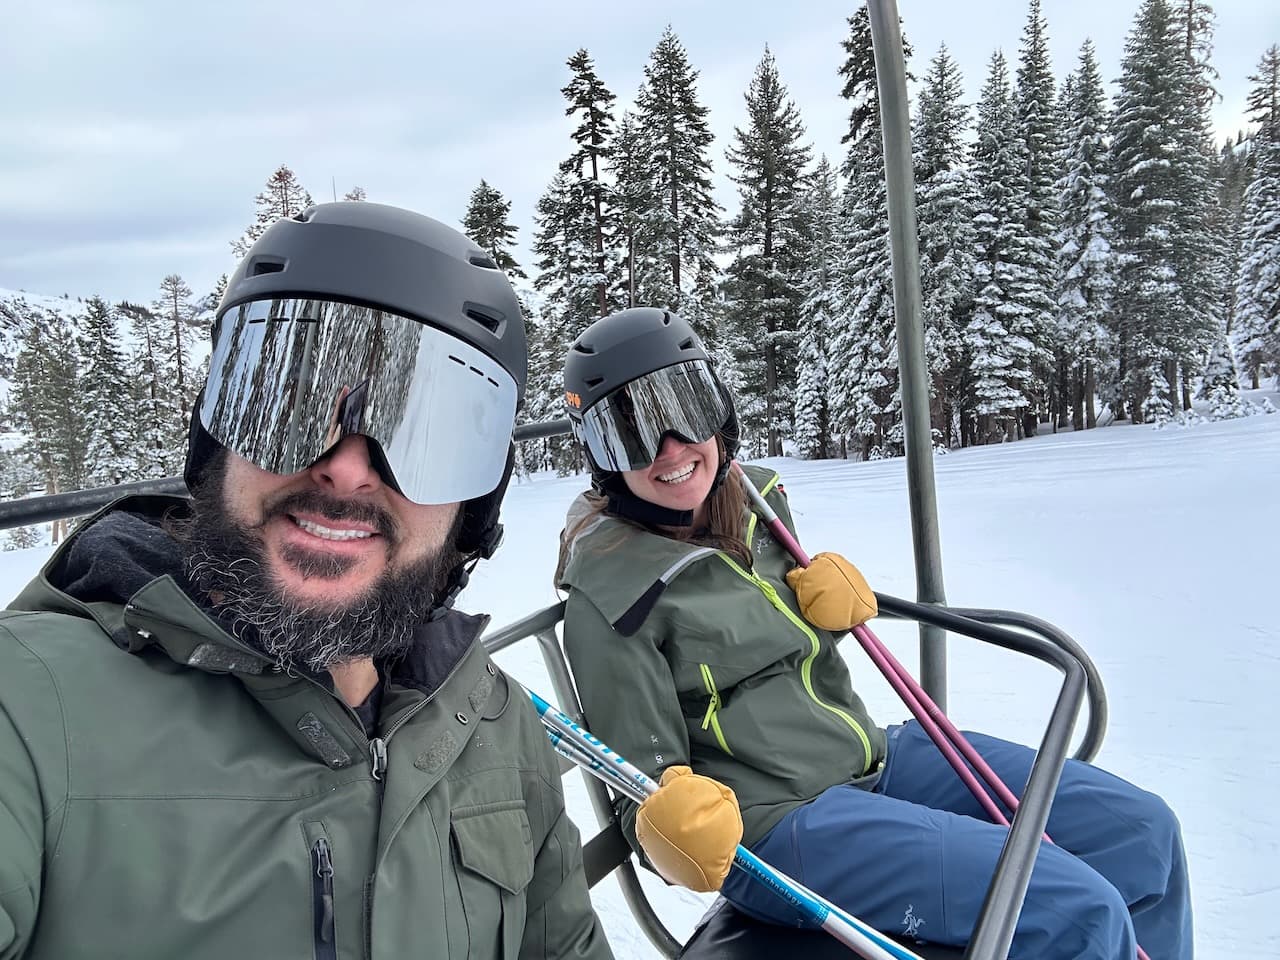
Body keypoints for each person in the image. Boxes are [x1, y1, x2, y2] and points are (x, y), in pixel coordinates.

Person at [0, 202, 613, 960]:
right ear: (215, 441)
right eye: (288, 407)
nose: (349, 468)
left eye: (425, 433)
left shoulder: (492, 720)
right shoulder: (28, 711)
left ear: (472, 509)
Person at [555, 307, 1192, 960]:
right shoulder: (612, 595)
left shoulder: (757, 511)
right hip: (779, 829)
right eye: (630, 433)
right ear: (603, 461)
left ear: (717, 410)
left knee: (1142, 835)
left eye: (684, 408)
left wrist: (825, 598)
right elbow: (639, 779)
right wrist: (667, 821)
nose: (669, 447)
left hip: (873, 759)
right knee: (1073, 910)